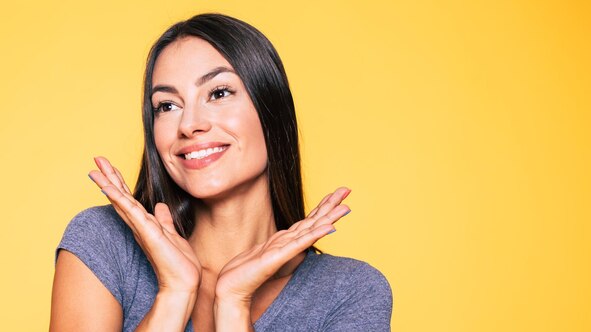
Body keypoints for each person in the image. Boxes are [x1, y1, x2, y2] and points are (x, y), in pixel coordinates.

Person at [50, 13, 392, 332]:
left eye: (219, 93)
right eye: (167, 106)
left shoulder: (350, 291)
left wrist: (233, 304)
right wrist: (174, 294)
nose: (189, 125)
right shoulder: (104, 241)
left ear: (270, 110)